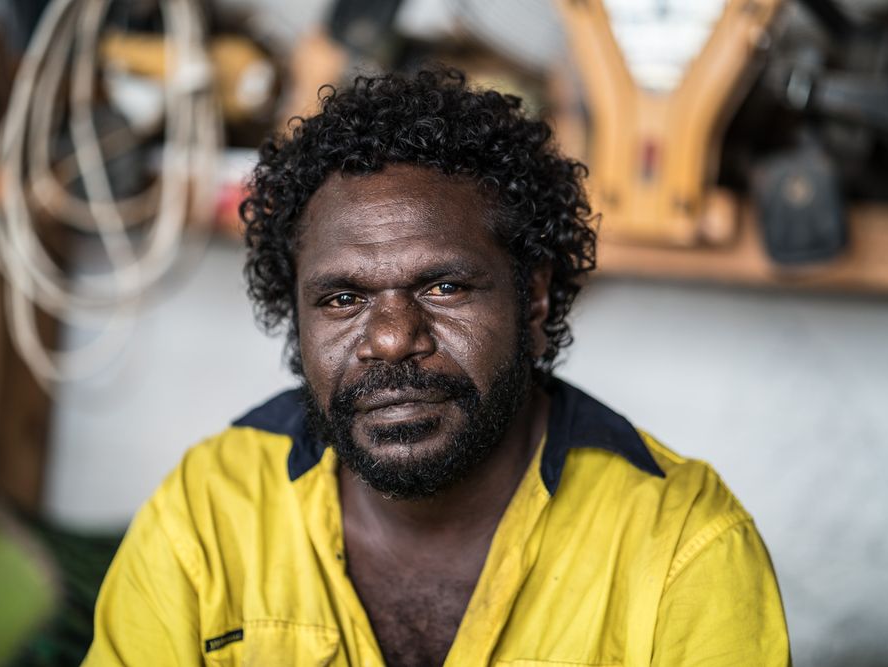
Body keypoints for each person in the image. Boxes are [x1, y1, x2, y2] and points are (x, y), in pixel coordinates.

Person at [83, 69, 790, 666]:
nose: (392, 338)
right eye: (342, 298)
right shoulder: (209, 513)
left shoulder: (683, 547)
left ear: (533, 297)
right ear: (296, 315)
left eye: (444, 287)